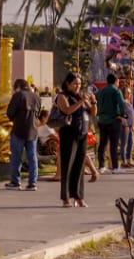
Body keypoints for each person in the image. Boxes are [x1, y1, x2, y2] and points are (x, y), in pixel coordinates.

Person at [53, 72, 91, 208]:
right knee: (67, 165)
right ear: (67, 84)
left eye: (79, 84)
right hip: (69, 133)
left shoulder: (80, 96)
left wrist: (93, 102)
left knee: (80, 166)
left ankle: (78, 196)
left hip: (82, 133)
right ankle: (66, 197)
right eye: (75, 83)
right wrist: (81, 102)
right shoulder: (62, 96)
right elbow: (67, 110)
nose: (77, 86)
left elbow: (92, 112)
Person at [4, 78, 40, 190]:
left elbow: (10, 113)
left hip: (19, 130)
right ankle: (32, 183)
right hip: (33, 130)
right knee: (32, 157)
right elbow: (38, 114)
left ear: (18, 86)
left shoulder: (18, 95)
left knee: (16, 156)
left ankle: (15, 182)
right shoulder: (36, 97)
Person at [95, 74, 127, 173]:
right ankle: (115, 167)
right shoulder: (116, 91)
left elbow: (98, 104)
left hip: (102, 120)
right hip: (113, 119)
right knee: (114, 144)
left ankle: (101, 166)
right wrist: (123, 115)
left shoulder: (101, 91)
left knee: (102, 144)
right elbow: (121, 104)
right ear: (116, 81)